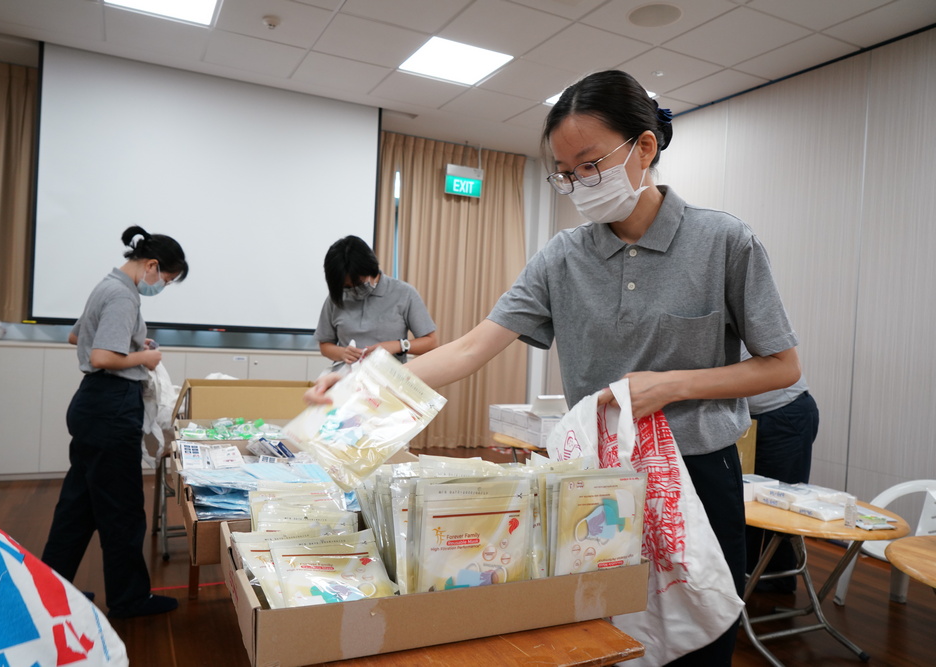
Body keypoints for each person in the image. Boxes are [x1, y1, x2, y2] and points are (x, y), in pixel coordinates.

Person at [307, 70, 801, 664]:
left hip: (696, 474)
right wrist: (361, 383)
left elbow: (780, 366)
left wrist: (672, 385)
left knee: (699, 641)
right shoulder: (562, 257)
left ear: (644, 146)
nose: (579, 183)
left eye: (590, 164)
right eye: (566, 173)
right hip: (595, 480)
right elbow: (468, 349)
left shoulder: (723, 241)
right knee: (600, 634)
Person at [42, 226, 189, 619]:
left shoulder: (105, 286)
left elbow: (78, 338)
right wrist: (145, 358)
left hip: (91, 405)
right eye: (166, 280)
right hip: (110, 407)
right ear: (152, 265)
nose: (161, 286)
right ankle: (129, 599)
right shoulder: (123, 295)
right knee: (122, 510)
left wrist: (132, 344)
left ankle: (48, 594)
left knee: (78, 509)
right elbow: (103, 357)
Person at [744, 361, 820, 593]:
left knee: (781, 505)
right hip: (747, 417)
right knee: (746, 500)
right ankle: (746, 575)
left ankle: (778, 580)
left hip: (783, 413)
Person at [314, 235, 437, 371]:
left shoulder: (404, 293)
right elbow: (325, 345)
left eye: (359, 284)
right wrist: (342, 353)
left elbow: (431, 342)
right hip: (346, 379)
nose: (354, 290)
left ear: (371, 268)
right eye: (347, 287)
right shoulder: (335, 297)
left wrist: (397, 346)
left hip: (388, 380)